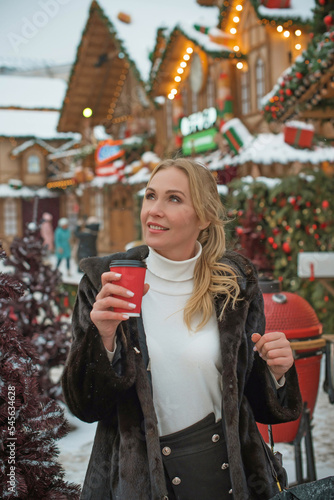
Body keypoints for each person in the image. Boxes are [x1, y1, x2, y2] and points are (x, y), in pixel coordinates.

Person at [62, 158, 302, 500]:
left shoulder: (234, 286)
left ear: (204, 217)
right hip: (140, 481)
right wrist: (102, 337)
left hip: (230, 478)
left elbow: (253, 401)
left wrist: (277, 372)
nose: (154, 210)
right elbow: (86, 406)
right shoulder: (107, 282)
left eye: (173, 199)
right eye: (150, 196)